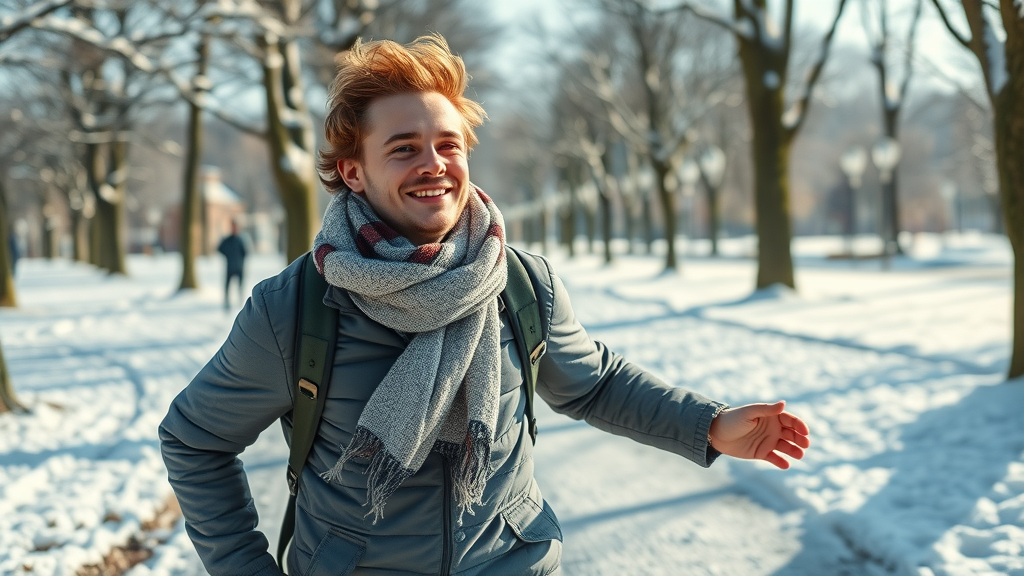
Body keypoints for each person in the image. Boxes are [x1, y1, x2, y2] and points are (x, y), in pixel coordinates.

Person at [159, 34, 811, 576]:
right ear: (354, 171)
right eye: (404, 148)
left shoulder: (521, 283)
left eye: (448, 144)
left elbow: (595, 385)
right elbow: (195, 440)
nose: (434, 164)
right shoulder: (295, 308)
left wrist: (709, 425)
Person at [216, 220, 247, 310]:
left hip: (239, 267)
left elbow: (245, 252)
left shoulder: (241, 240)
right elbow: (220, 249)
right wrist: (227, 254)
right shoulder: (227, 240)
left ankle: (240, 302)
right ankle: (227, 302)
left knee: (240, 286)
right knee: (227, 286)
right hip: (229, 267)